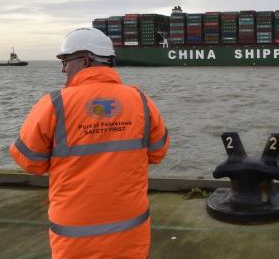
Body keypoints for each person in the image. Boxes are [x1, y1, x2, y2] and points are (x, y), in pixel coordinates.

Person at [9, 27, 170, 258]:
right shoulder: (141, 101)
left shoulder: (54, 104)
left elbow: (29, 163)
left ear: (84, 60)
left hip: (74, 236)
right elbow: (158, 154)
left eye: (65, 61)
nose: (63, 69)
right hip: (131, 231)